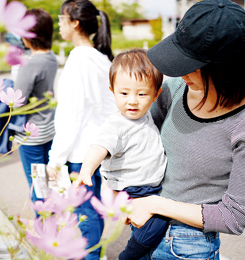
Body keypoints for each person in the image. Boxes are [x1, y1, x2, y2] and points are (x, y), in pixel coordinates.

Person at [126, 0, 245, 259]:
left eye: (189, 63)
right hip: (143, 225)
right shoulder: (174, 89)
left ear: (224, 69)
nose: (180, 71)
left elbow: (235, 216)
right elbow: (137, 138)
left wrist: (155, 203)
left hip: (187, 245)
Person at [74, 48, 167, 260]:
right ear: (112, 91)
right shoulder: (117, 124)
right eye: (124, 93)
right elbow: (99, 146)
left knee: (147, 227)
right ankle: (129, 256)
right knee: (157, 223)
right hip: (135, 188)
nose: (132, 101)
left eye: (141, 94)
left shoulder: (143, 116)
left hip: (147, 186)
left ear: (156, 95)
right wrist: (86, 170)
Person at [46, 0, 116, 259]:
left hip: (79, 153)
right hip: (95, 150)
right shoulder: (99, 58)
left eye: (61, 19)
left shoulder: (79, 59)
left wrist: (55, 159)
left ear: (74, 23)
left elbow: (71, 115)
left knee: (83, 215)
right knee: (91, 210)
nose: (59, 25)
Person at [13, 9, 58, 207]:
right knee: (50, 183)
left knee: (38, 186)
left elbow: (17, 100)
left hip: (31, 134)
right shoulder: (51, 57)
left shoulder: (30, 64)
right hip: (49, 127)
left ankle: (44, 228)